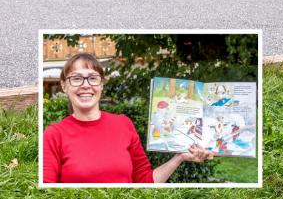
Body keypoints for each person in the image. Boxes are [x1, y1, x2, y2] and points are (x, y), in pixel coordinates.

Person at [43, 52, 213, 183]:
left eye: (92, 78)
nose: (86, 85)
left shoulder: (123, 124)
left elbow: (144, 181)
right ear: (64, 86)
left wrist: (179, 158)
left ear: (101, 84)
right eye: (77, 78)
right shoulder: (54, 134)